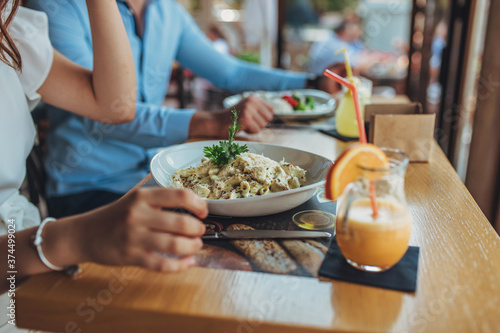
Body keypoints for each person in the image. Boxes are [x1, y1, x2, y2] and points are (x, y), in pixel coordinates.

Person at [26, 0, 317, 218]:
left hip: (156, 177)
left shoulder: (166, 9)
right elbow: (103, 113)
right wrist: (205, 122)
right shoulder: (58, 7)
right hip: (89, 188)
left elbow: (231, 74)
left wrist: (312, 81)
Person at [0, 0, 207, 303]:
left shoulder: (10, 28)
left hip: (27, 258)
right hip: (34, 251)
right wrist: (74, 237)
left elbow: (116, 107)